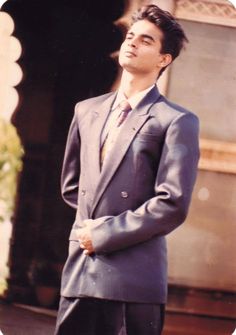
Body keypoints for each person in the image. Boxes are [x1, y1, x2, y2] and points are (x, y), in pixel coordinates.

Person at [55, 4, 200, 335]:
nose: (132, 43)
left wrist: (105, 233)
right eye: (130, 36)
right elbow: (72, 186)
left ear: (165, 59)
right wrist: (89, 234)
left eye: (146, 40)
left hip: (132, 282)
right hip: (81, 270)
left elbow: (172, 204)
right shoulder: (86, 111)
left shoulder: (177, 121)